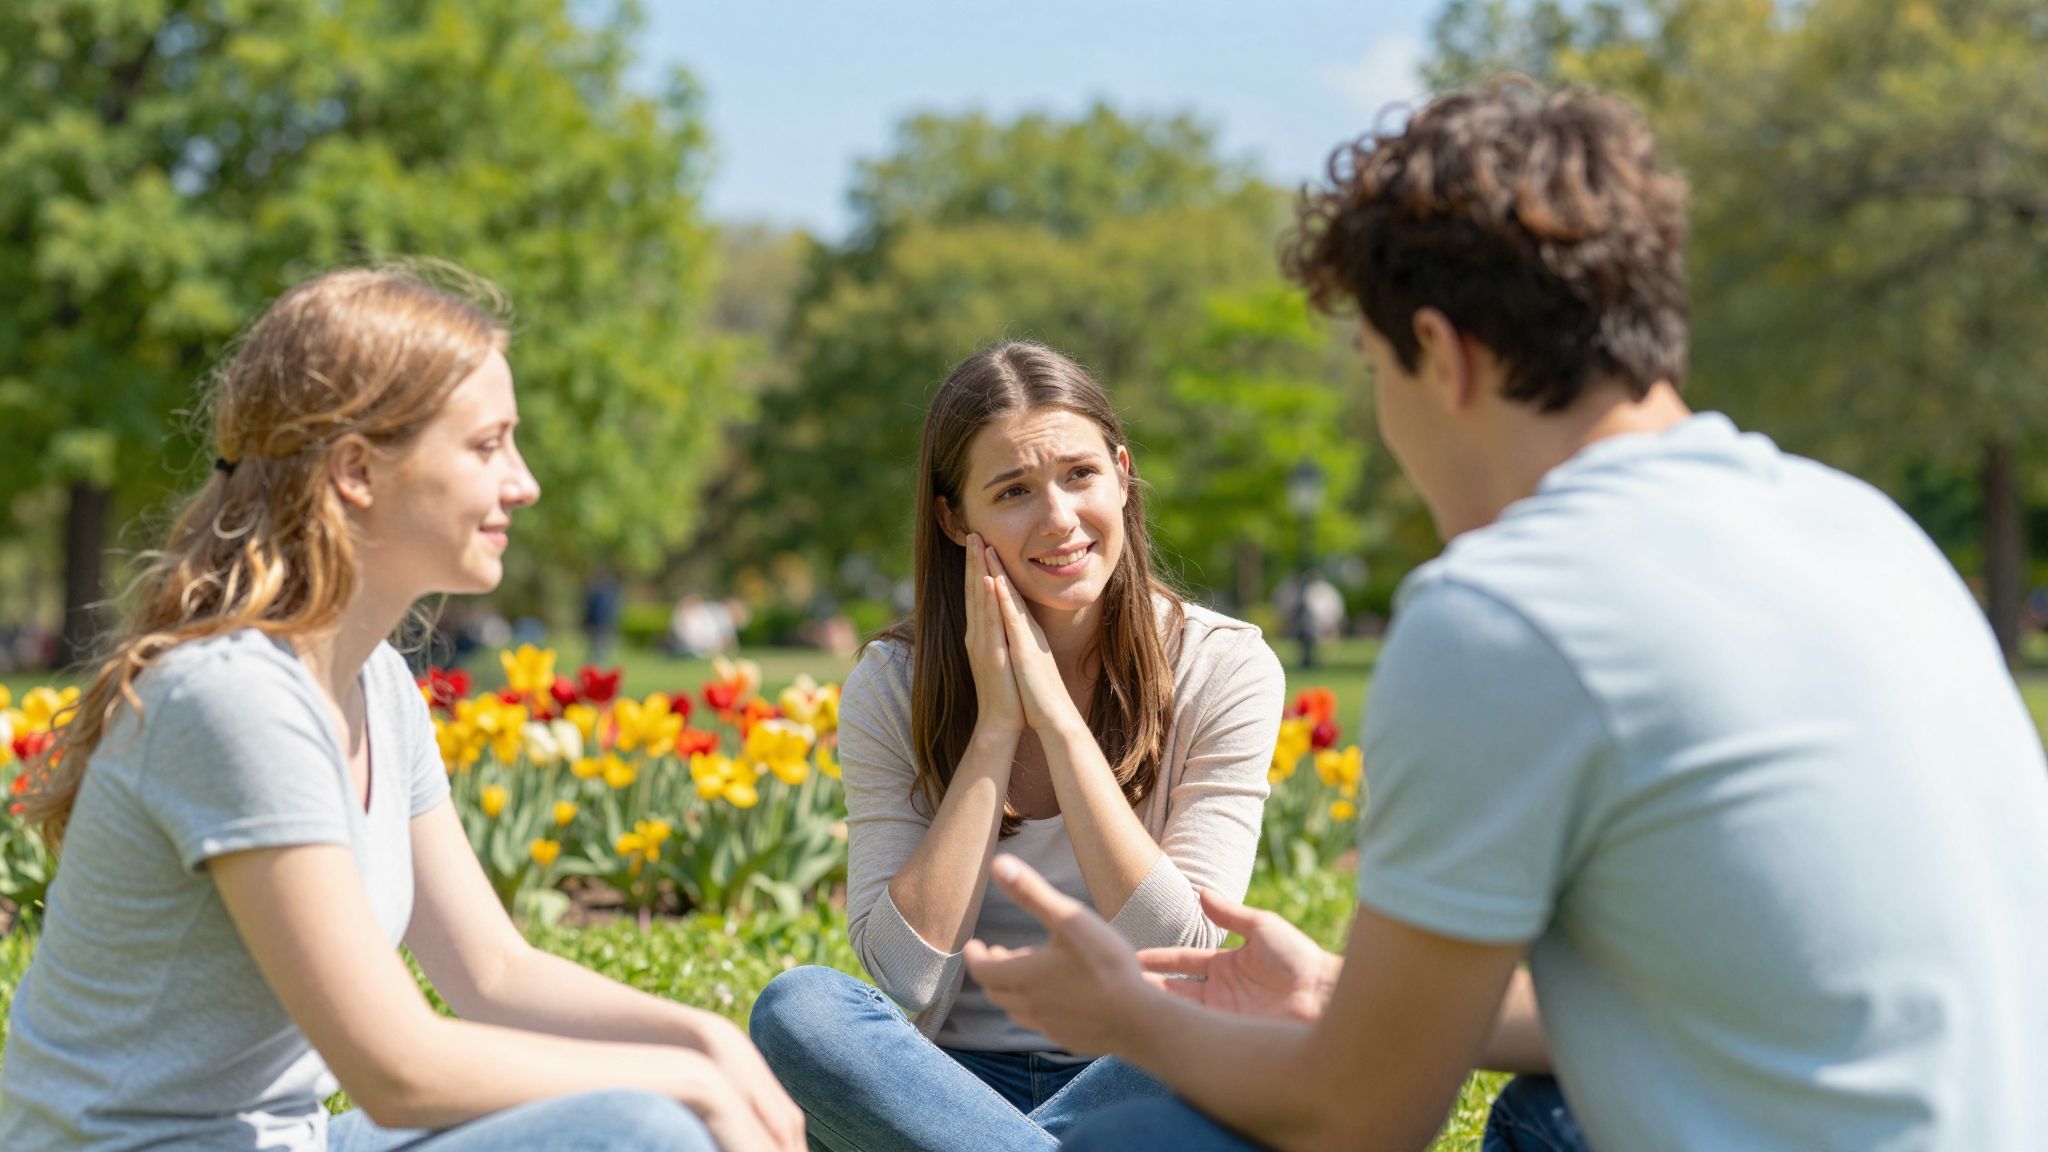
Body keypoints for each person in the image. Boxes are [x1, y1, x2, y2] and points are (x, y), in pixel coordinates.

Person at [960, 79, 2048, 1151]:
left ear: (1441, 355)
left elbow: (1356, 1118)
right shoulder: (1861, 529)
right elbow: (1767, 989)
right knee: (1550, 1107)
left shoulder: (1506, 613)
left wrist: (1127, 1016)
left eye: (1380, 371)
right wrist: (1342, 992)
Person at [0, 266, 803, 1152]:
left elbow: (492, 972)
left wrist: (707, 1039)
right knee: (641, 1131)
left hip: (296, 1142)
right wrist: (685, 1084)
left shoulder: (376, 685)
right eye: (488, 446)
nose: (523, 483)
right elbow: (397, 1069)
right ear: (356, 471)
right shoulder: (232, 698)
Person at [748, 341, 1286, 1150]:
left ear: (1122, 472)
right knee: (800, 1009)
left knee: (1243, 1022)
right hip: (940, 1085)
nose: (1060, 519)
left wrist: (1060, 726)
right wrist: (996, 726)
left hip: (1137, 1068)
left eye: (1079, 475)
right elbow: (906, 971)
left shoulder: (1225, 666)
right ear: (954, 519)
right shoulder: (892, 687)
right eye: (1013, 491)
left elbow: (1179, 953)